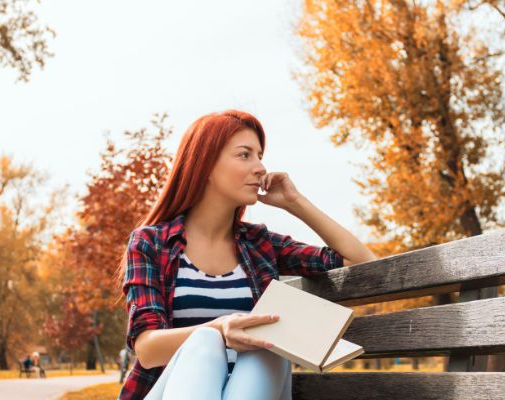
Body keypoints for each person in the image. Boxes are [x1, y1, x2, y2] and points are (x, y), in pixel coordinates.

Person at [116, 110, 376, 400]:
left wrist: (296, 203)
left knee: (268, 347)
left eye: (260, 155)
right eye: (245, 155)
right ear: (206, 165)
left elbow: (363, 264)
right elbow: (148, 349)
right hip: (175, 388)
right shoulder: (151, 243)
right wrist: (220, 328)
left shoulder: (259, 244)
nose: (260, 167)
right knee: (205, 342)